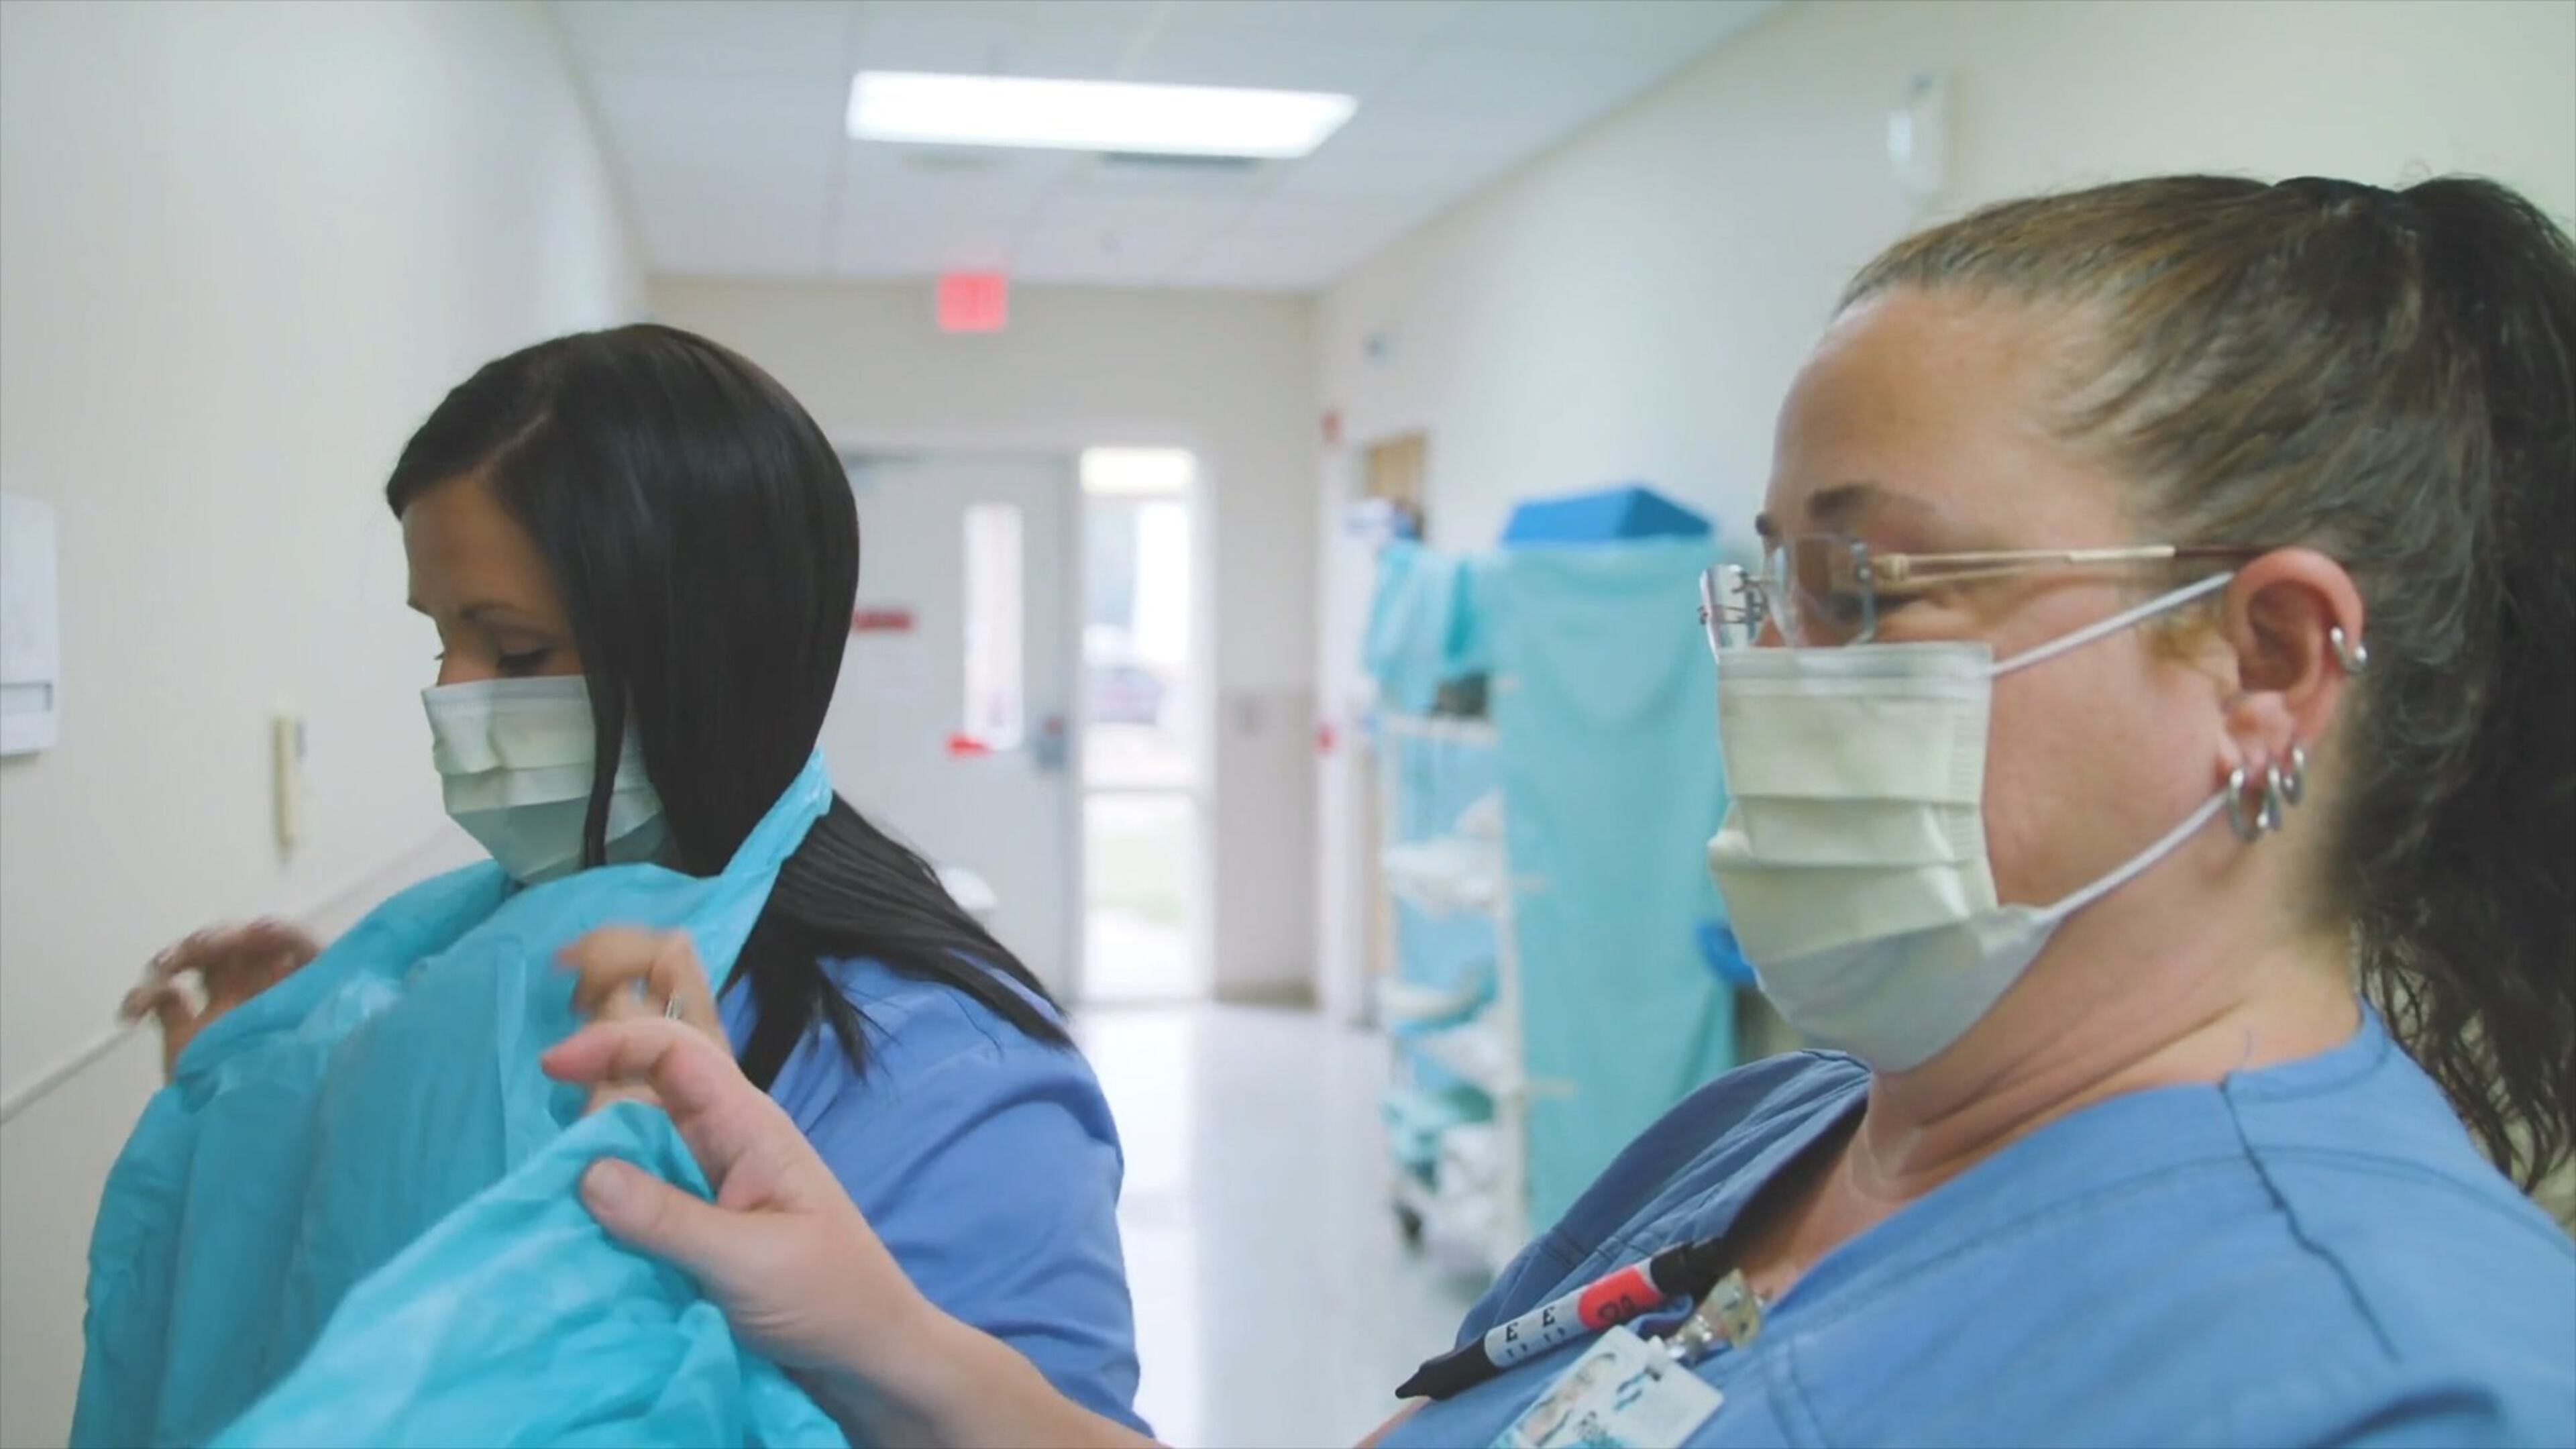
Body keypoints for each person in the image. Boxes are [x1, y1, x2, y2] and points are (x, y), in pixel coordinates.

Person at [547, 174, 2575, 1449]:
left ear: (2270, 663)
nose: (1770, 671)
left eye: (1863, 588)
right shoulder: (1774, 1134)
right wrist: (895, 1341)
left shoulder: (2398, 1373)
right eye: (1763, 585)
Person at [123, 325, 1146, 1432]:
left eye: (512, 654)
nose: (452, 700)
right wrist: (292, 1082)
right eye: (440, 645)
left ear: (702, 649)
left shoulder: (941, 1070)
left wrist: (877, 1337)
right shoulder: (478, 943)